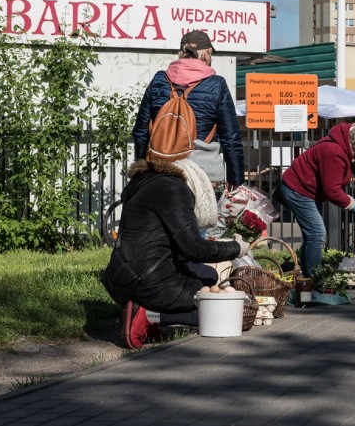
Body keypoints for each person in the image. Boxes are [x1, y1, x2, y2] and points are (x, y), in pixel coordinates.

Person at [101, 157, 250, 349]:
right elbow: (193, 249)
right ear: (200, 177)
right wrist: (236, 248)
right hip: (146, 279)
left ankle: (146, 310)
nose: (212, 192)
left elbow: (176, 246)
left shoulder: (152, 183)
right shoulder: (174, 190)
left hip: (123, 277)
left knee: (209, 275)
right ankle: (149, 314)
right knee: (218, 311)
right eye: (213, 185)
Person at [275, 120, 355, 277]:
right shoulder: (333, 151)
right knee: (317, 233)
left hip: (312, 190)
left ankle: (307, 272)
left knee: (312, 235)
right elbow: (332, 191)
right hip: (298, 189)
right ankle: (314, 277)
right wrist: (353, 204)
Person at [132, 30, 244, 189]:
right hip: (202, 174)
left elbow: (140, 132)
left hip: (159, 169)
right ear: (206, 54)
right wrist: (236, 182)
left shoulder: (159, 80)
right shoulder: (217, 85)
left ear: (181, 53)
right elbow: (231, 138)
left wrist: (141, 170)